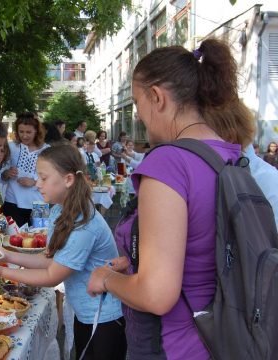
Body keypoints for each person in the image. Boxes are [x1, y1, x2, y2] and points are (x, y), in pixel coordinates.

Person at [87, 39, 255, 359]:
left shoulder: (168, 163)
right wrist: (138, 262)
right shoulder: (227, 154)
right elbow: (203, 248)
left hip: (173, 344)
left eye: (137, 103)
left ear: (157, 97)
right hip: (222, 339)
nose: (138, 117)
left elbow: (156, 294)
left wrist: (106, 278)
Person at [0, 145, 126, 360]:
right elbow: (50, 258)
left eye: (44, 178)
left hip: (104, 318)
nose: (37, 183)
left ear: (69, 179)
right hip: (88, 312)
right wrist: (7, 256)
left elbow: (51, 275)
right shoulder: (59, 210)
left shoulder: (83, 223)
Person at [1, 113, 49, 227]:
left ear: (36, 131)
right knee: (13, 240)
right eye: (21, 131)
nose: (24, 136)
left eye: (28, 132)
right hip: (12, 202)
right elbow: (1, 172)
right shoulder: (11, 146)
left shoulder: (47, 150)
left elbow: (51, 176)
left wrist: (33, 182)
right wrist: (7, 173)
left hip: (40, 203)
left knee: (41, 238)